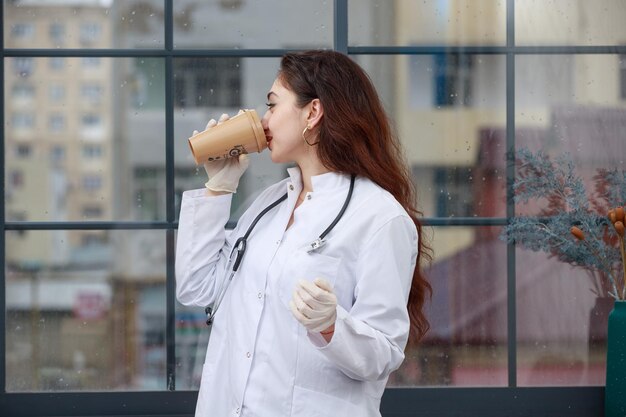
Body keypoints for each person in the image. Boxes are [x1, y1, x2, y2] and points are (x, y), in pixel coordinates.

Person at [176, 50, 431, 417]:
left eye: (272, 105)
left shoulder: (379, 218)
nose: (263, 120)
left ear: (312, 113)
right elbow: (196, 286)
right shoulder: (270, 204)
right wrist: (219, 188)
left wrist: (331, 325)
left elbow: (382, 355)